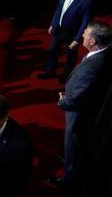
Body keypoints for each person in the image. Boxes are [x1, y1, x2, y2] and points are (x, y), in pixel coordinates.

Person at [50, 21, 112, 188]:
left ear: (93, 42)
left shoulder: (92, 67)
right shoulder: (103, 54)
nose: (82, 34)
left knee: (73, 148)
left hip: (77, 117)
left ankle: (70, 180)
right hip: (86, 108)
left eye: (86, 33)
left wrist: (62, 101)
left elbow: (78, 99)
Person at [37, 0, 96, 83]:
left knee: (70, 55)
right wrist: (53, 23)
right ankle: (50, 72)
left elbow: (86, 21)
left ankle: (67, 75)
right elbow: (59, 8)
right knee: (53, 51)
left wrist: (78, 39)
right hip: (58, 28)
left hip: (72, 32)